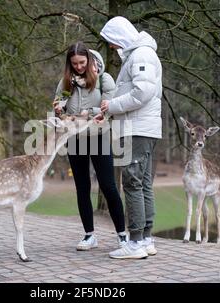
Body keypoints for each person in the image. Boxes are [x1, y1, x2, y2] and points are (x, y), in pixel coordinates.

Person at [96, 16, 162, 259]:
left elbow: (142, 92)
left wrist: (111, 106)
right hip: (142, 128)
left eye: (112, 41)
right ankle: (145, 239)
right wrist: (110, 111)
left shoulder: (141, 55)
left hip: (137, 129)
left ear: (120, 35)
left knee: (132, 183)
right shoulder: (139, 54)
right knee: (143, 182)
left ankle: (135, 243)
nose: (112, 47)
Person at [53, 41, 127, 252]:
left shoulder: (104, 79)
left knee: (108, 186)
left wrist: (91, 112)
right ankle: (89, 235)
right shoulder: (66, 82)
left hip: (98, 137)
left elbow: (108, 109)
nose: (78, 67)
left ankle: (122, 236)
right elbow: (60, 105)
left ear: (89, 59)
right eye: (74, 63)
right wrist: (58, 109)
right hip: (74, 138)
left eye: (82, 62)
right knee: (82, 188)